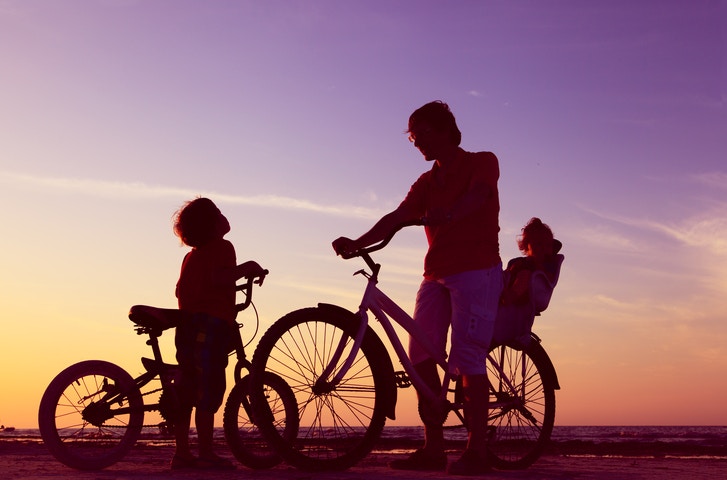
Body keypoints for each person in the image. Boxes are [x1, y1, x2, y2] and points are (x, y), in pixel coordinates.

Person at [332, 101, 502, 475]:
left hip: (477, 270)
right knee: (420, 356)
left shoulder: (482, 161)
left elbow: (480, 195)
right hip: (436, 274)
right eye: (412, 136)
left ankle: (477, 451)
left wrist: (451, 213)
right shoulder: (426, 183)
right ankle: (433, 447)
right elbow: (397, 217)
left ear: (446, 131)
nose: (416, 142)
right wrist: (357, 243)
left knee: (469, 357)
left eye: (421, 133)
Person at [171, 197, 267, 470]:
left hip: (187, 327)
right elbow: (219, 278)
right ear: (212, 224)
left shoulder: (191, 257)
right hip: (210, 327)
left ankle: (182, 454)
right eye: (219, 213)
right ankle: (205, 453)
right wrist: (248, 267)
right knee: (209, 389)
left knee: (188, 389)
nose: (225, 216)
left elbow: (181, 290)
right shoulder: (223, 247)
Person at [495, 218, 561, 347]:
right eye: (538, 245)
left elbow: (548, 278)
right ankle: (497, 290)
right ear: (526, 246)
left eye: (547, 245)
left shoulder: (547, 264)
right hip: (511, 285)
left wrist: (537, 266)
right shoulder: (519, 262)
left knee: (525, 274)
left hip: (530, 290)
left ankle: (509, 295)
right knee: (503, 274)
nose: (543, 249)